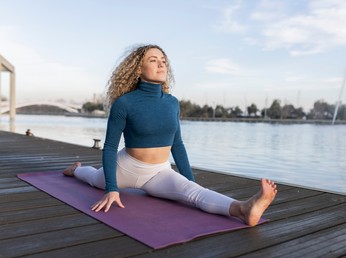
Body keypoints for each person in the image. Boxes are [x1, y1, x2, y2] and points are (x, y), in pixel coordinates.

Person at [63, 44, 277, 226]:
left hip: (158, 173)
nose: (161, 64)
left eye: (163, 60)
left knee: (195, 194)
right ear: (138, 69)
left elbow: (177, 144)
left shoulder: (172, 103)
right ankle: (77, 170)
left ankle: (244, 209)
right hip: (126, 168)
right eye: (154, 60)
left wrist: (192, 182)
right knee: (93, 178)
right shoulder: (124, 103)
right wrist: (112, 189)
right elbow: (110, 147)